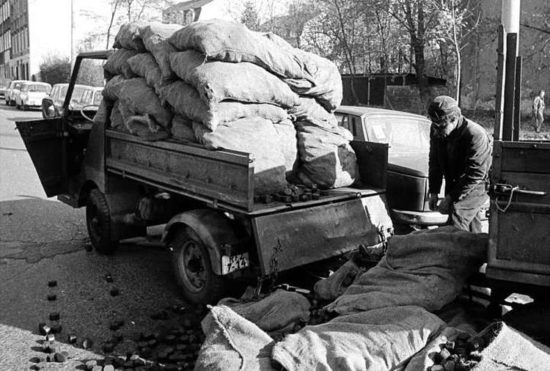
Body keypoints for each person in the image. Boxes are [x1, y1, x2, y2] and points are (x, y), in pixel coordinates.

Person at [427, 96, 492, 233]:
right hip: (456, 180)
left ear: (454, 119)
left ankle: (450, 253)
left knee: (456, 218)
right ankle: (477, 250)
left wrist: (450, 197)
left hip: (478, 183)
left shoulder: (475, 134)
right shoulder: (437, 130)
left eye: (441, 126)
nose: (437, 130)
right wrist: (433, 191)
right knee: (470, 224)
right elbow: (435, 162)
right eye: (435, 125)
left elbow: (476, 174)